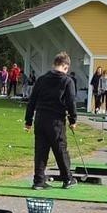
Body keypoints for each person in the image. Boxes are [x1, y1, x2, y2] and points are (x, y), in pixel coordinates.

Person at [25, 52, 78, 189]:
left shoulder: (41, 79)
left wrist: (28, 121)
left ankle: (38, 181)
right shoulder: (67, 81)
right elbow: (71, 102)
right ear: (66, 66)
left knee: (40, 150)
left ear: (54, 64)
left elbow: (32, 101)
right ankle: (67, 178)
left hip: (40, 118)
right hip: (56, 120)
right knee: (60, 149)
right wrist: (73, 119)